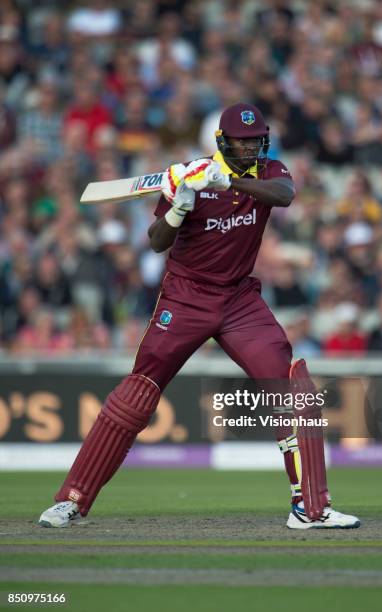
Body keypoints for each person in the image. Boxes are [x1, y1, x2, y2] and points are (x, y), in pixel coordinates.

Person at [39, 103, 359, 530]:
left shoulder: (269, 171)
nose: (251, 148)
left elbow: (285, 196)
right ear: (224, 142)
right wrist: (177, 206)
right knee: (137, 394)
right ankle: (72, 500)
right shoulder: (188, 177)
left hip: (239, 299)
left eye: (256, 140)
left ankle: (310, 508)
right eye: (242, 142)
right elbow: (156, 242)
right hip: (185, 298)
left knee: (290, 385)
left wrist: (227, 180)